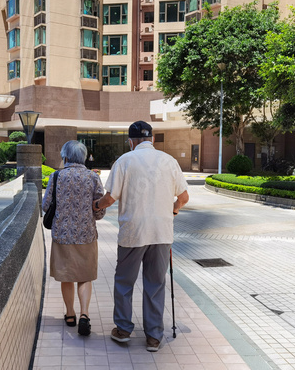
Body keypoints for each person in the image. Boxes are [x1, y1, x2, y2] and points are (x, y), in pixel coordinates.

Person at [93, 121, 189, 352]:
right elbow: (184, 197)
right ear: (152, 140)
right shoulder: (170, 161)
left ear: (131, 141)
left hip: (132, 233)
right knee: (155, 284)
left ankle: (124, 330)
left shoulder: (125, 161)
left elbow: (110, 199)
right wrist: (173, 211)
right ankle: (154, 337)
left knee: (124, 282)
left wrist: (95, 205)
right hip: (161, 233)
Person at [42, 140, 106, 336]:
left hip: (62, 236)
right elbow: (100, 212)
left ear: (66, 157)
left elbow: (45, 206)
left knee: (67, 276)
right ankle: (84, 315)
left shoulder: (56, 176)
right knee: (85, 276)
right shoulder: (92, 177)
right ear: (84, 157)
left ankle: (70, 314)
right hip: (86, 235)